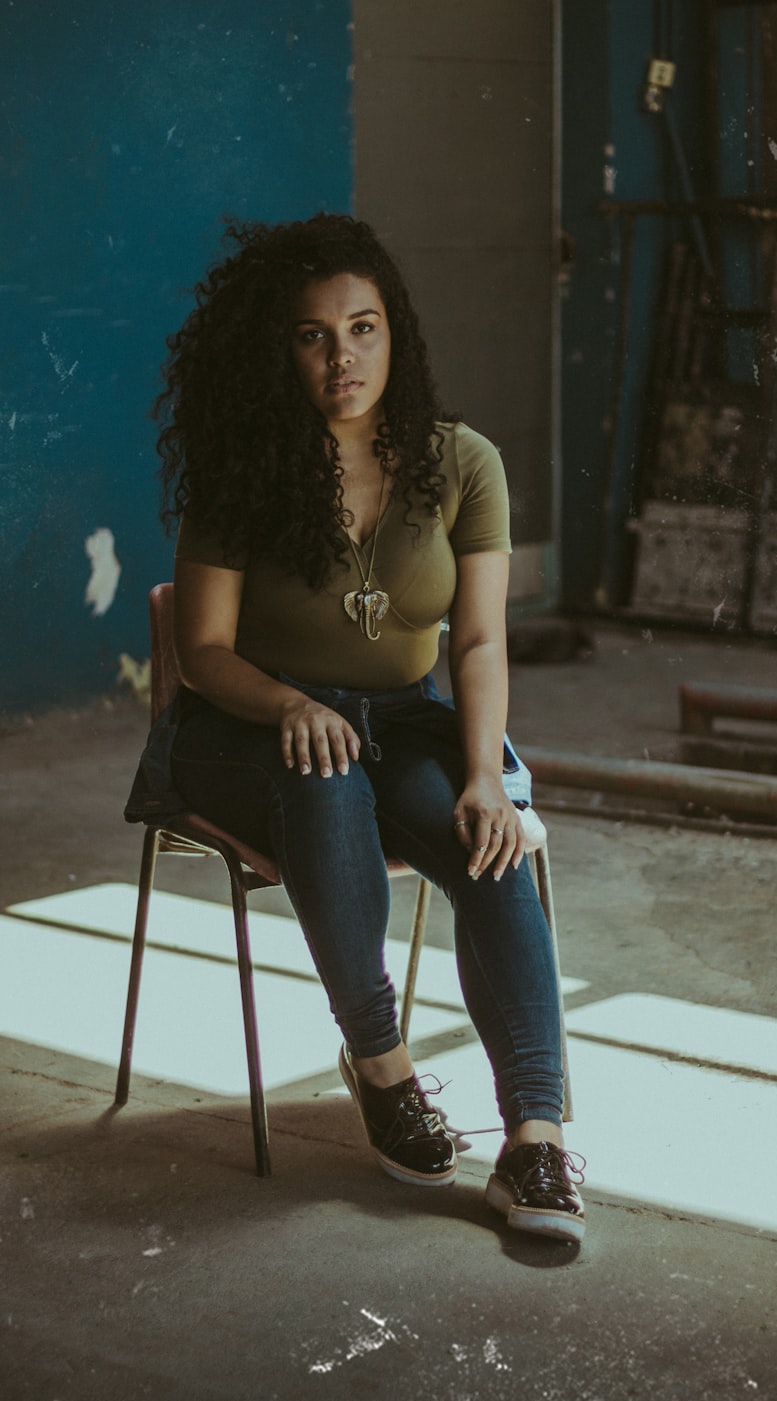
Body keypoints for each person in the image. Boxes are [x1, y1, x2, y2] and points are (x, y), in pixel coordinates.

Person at [152, 213, 584, 1243]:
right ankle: (381, 1064)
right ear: (279, 348)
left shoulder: (463, 462)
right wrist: (290, 704)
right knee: (324, 774)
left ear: (397, 335)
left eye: (362, 328)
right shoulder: (244, 466)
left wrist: (483, 774)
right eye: (312, 334)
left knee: (487, 842)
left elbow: (478, 641)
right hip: (247, 726)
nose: (341, 356)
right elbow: (202, 649)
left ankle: (535, 1137)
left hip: (402, 721)